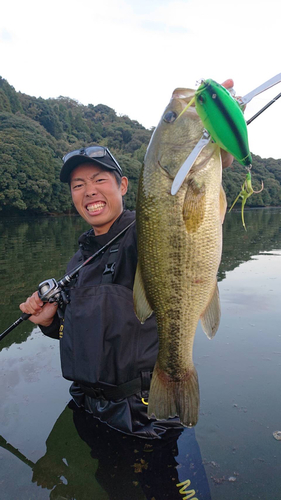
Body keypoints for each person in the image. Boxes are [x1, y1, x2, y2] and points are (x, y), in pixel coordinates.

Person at [20, 82, 234, 438]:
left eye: (98, 179)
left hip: (146, 415)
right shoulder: (79, 260)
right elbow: (90, 334)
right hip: (87, 409)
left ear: (122, 185)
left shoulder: (145, 230)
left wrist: (220, 131)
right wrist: (50, 321)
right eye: (77, 185)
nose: (88, 190)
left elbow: (205, 190)